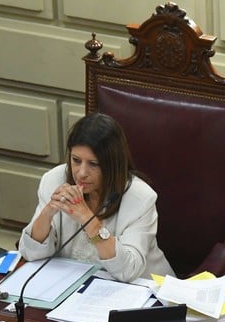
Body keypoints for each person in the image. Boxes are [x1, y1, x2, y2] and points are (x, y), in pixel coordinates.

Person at [19, 112, 174, 282]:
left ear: (112, 164)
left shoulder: (141, 199)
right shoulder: (54, 179)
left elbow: (128, 271)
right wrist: (47, 213)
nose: (81, 173)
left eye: (93, 164)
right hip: (78, 288)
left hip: (144, 292)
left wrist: (88, 219)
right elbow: (31, 254)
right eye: (76, 160)